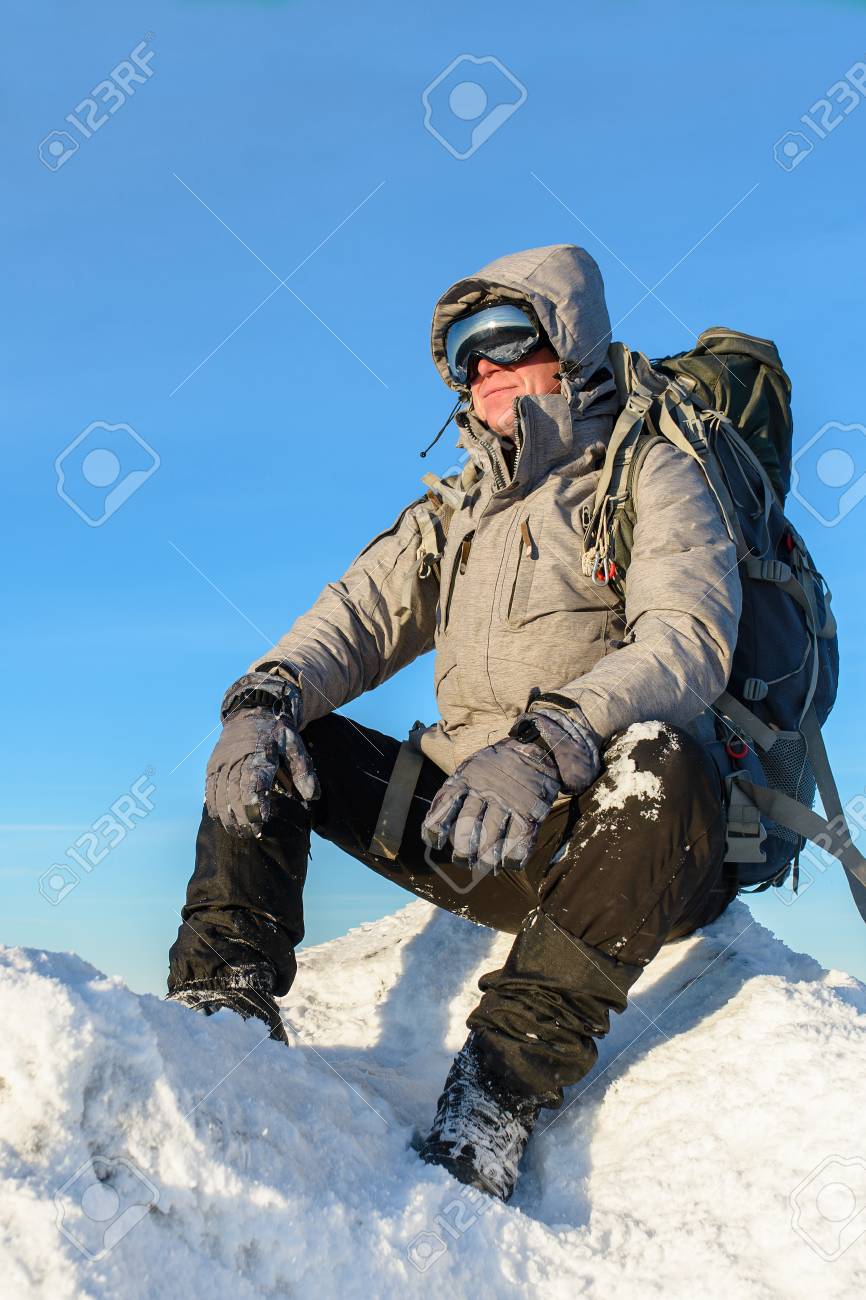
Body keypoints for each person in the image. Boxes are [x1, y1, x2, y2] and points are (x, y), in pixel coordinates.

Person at [167, 244, 742, 1202]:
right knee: (284, 739)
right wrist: (262, 695)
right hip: (471, 827)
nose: (482, 372)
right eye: (464, 356)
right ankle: (220, 1004)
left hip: (617, 849)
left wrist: (551, 740)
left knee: (660, 760)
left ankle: (497, 1092)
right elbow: (355, 616)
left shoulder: (649, 475)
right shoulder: (461, 509)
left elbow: (687, 638)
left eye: (505, 344)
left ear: (571, 346)